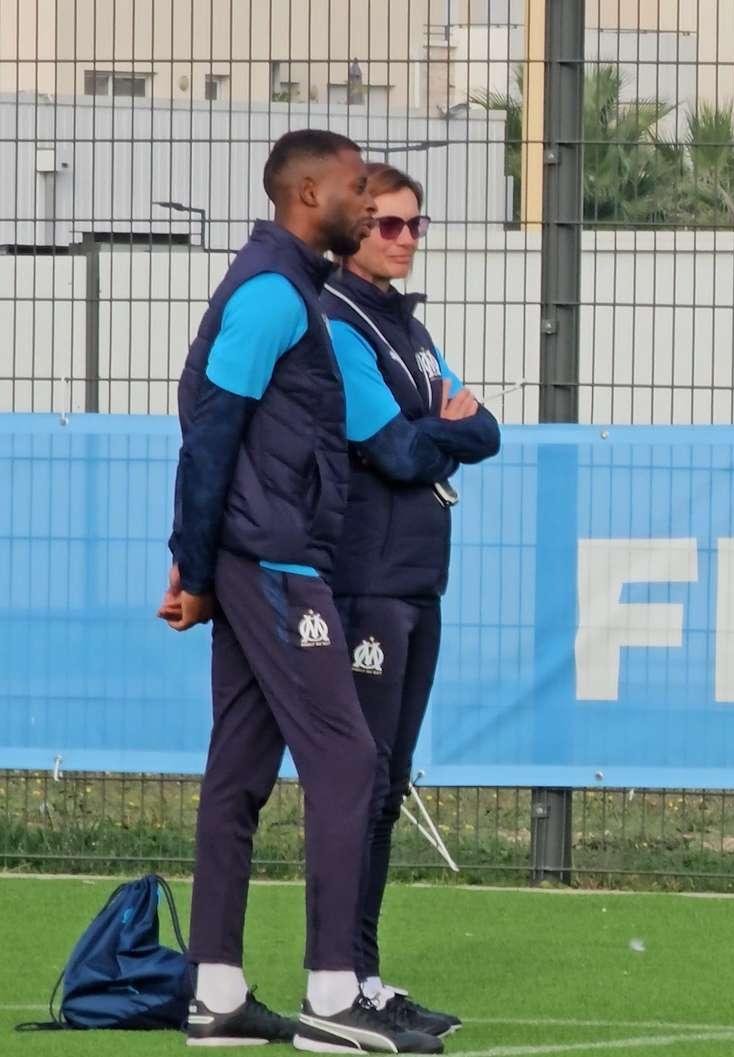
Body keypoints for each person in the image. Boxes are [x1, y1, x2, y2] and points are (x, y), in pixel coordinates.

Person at [159, 129, 451, 1054]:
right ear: (307, 194)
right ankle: (334, 995)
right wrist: (197, 563)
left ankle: (218, 992)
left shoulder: (297, 290)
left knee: (240, 772)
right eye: (360, 190)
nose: (371, 208)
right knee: (347, 759)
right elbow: (207, 428)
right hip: (274, 563)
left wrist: (207, 558)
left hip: (262, 555)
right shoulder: (269, 293)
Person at [321, 162, 500, 1038]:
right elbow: (390, 449)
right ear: (352, 228)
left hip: (417, 579)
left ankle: (366, 972)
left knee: (386, 787)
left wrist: (438, 432)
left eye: (414, 225)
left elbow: (487, 430)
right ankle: (339, 980)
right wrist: (442, 431)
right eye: (387, 224)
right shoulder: (336, 319)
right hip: (366, 583)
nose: (402, 238)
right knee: (360, 783)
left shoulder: (410, 328)